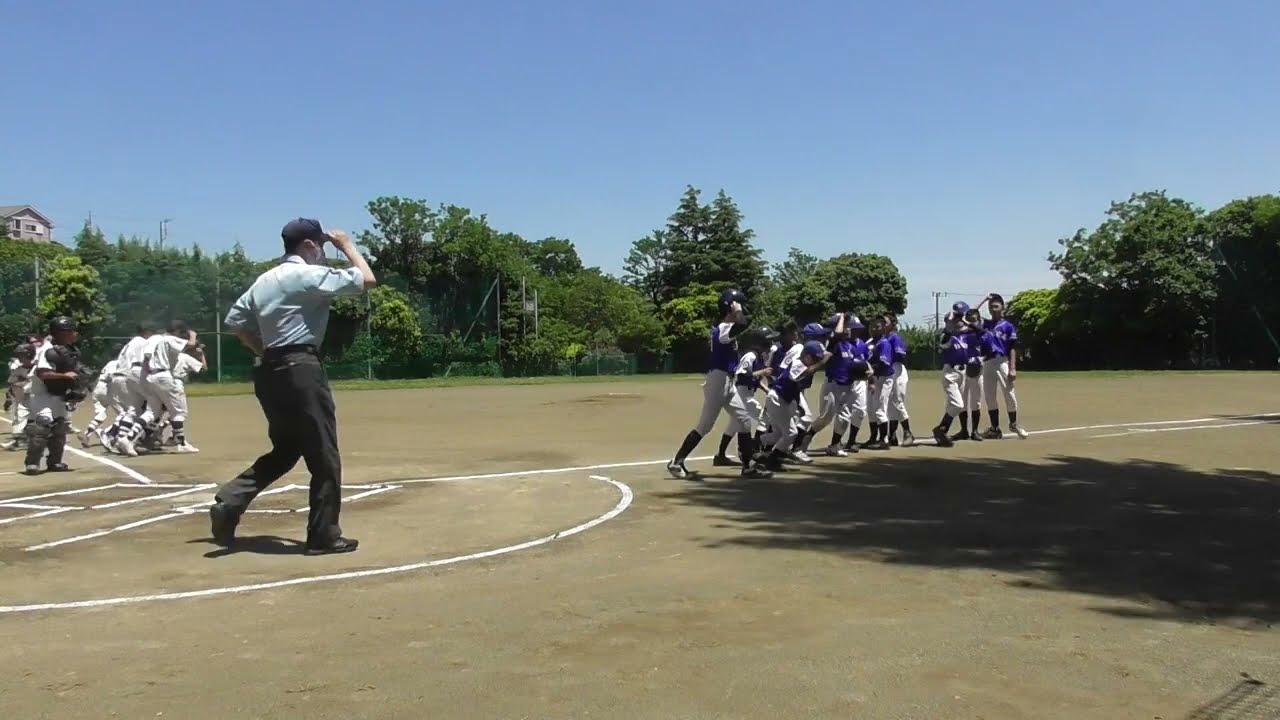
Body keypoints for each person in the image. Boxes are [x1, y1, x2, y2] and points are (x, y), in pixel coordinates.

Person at [209, 219, 375, 555]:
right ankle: (323, 536)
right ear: (310, 246)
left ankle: (231, 499)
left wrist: (264, 350)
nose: (324, 254)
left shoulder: (264, 279)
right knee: (324, 456)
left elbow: (235, 323)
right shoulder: (306, 276)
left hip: (270, 371)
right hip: (302, 370)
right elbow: (367, 279)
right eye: (322, 247)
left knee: (286, 450)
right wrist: (346, 245)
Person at [666, 289, 772, 480]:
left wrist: (737, 311)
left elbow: (741, 325)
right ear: (730, 307)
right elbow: (742, 325)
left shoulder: (727, 329)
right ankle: (676, 462)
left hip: (728, 382)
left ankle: (748, 466)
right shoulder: (723, 328)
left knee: (744, 420)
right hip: (718, 380)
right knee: (705, 425)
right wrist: (736, 310)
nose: (741, 309)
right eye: (737, 305)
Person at [22, 317, 81, 475]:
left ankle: (55, 461)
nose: (73, 334)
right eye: (69, 331)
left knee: (60, 428)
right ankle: (32, 462)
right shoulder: (47, 350)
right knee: (42, 426)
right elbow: (43, 374)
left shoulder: (66, 349)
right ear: (59, 333)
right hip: (42, 396)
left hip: (57, 395)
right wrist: (66, 376)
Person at [711, 327, 775, 467]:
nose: (770, 343)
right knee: (765, 418)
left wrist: (766, 389)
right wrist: (762, 372)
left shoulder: (758, 357)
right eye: (768, 341)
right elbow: (741, 374)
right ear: (759, 342)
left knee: (734, 425)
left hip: (746, 392)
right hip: (742, 394)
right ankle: (754, 451)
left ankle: (720, 456)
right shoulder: (750, 356)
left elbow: (754, 380)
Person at [976, 293, 1028, 439]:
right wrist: (984, 299)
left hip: (1002, 361)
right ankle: (995, 428)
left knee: (1009, 393)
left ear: (1002, 307)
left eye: (996, 306)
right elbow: (970, 315)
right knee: (990, 396)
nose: (993, 309)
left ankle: (1013, 423)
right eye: (990, 307)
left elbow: (1012, 347)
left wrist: (1012, 368)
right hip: (987, 362)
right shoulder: (985, 324)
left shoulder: (1008, 326)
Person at [79, 342, 123, 448]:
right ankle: (108, 432)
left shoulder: (109, 363)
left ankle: (87, 434)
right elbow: (112, 378)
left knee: (101, 413)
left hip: (98, 388)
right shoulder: (118, 363)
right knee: (124, 413)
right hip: (108, 389)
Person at [883, 313, 915, 447]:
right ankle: (892, 435)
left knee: (897, 402)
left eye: (885, 322)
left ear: (892, 324)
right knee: (891, 404)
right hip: (889, 370)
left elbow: (902, 356)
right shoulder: (884, 338)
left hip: (897, 370)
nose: (883, 324)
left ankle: (908, 432)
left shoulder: (895, 338)